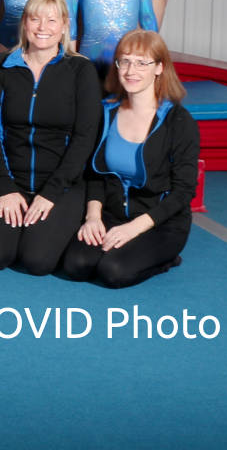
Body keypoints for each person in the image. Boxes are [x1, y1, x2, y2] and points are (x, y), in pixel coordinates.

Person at [0, 0, 101, 276]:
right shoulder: (1, 66)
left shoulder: (80, 70)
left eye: (51, 20)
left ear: (63, 26)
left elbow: (85, 137)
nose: (42, 27)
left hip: (61, 185)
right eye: (35, 19)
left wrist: (51, 193)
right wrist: (5, 186)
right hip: (14, 183)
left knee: (37, 262)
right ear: (25, 23)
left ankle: (67, 222)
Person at [63, 30, 198, 288]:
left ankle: (168, 259)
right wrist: (93, 217)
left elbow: (183, 192)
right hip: (113, 214)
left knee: (113, 271)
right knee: (76, 265)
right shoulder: (106, 112)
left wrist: (134, 229)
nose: (130, 70)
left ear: (159, 67)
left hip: (160, 222)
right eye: (124, 61)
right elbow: (94, 173)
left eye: (141, 62)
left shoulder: (179, 121)